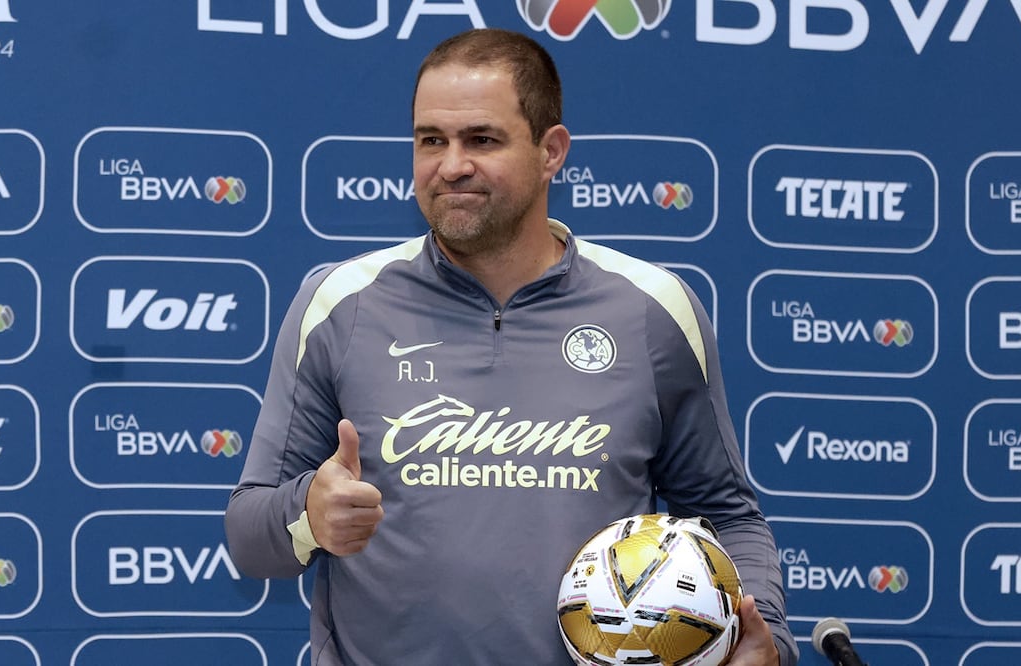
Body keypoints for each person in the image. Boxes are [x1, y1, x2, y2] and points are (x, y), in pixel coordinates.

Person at [225, 27, 798, 666]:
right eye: (430, 140)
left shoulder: (652, 310)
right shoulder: (337, 304)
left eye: (482, 140)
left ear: (551, 151)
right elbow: (249, 537)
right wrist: (309, 514)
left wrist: (761, 632)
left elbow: (726, 517)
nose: (451, 165)